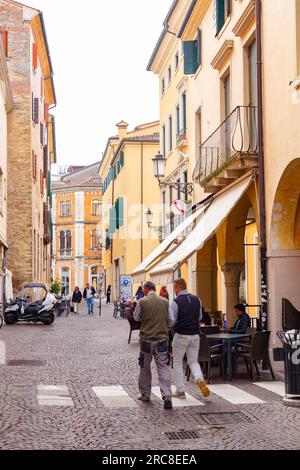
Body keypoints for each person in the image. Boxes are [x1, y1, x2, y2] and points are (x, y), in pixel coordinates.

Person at [134, 281, 173, 410]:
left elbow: (136, 318)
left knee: (145, 367)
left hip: (146, 340)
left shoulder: (142, 302)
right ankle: (167, 395)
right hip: (162, 339)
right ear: (154, 289)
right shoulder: (166, 302)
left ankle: (145, 394)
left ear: (145, 290)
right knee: (163, 367)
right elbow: (172, 321)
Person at [169, 278, 210, 400]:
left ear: (177, 287)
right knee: (193, 361)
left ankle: (180, 390)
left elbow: (172, 320)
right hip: (195, 334)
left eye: (174, 287)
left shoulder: (175, 302)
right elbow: (200, 317)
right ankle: (199, 379)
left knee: (177, 362)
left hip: (181, 334)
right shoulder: (197, 299)